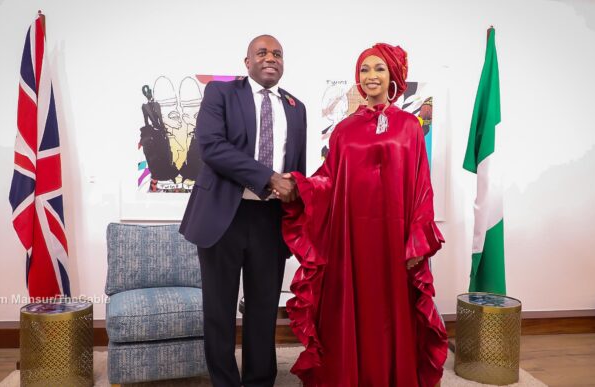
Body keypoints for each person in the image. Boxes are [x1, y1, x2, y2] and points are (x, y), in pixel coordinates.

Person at [281, 43, 448, 387]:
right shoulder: (343, 130)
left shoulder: (410, 127)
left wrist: (417, 239)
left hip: (396, 239)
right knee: (351, 307)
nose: (371, 77)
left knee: (394, 311)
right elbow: (329, 180)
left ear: (393, 77)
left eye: (379, 69)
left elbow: (421, 185)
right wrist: (301, 187)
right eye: (364, 70)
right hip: (350, 240)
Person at [179, 34, 307, 387]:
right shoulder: (221, 94)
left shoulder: (297, 107)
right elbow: (212, 147)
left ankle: (259, 380)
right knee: (219, 310)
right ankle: (225, 382)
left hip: (270, 220)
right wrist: (268, 178)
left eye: (278, 53)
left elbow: (297, 167)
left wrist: (297, 192)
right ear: (247, 62)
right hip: (223, 215)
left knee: (264, 309)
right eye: (262, 52)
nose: (271, 58)